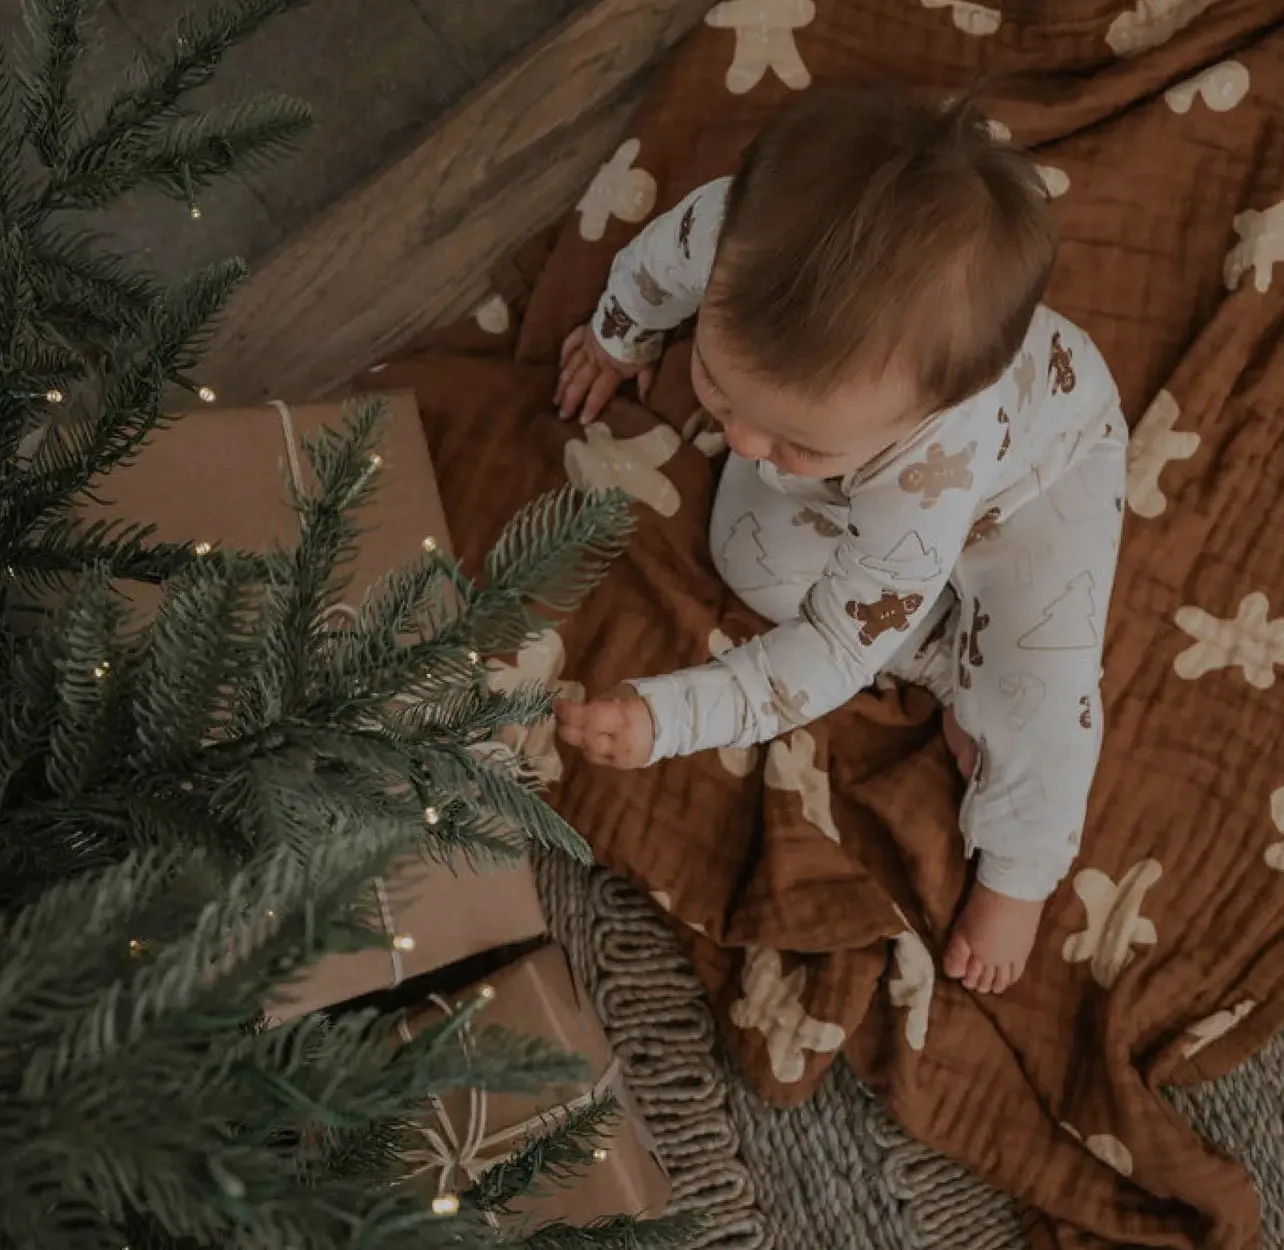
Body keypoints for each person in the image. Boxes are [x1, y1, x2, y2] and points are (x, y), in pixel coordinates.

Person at [553, 85, 1127, 995]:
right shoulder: (728, 233)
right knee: (749, 554)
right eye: (715, 378)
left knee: (1044, 690)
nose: (740, 442)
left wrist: (672, 716)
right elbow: (651, 273)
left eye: (794, 436)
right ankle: (939, 656)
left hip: (1037, 488)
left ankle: (1022, 864)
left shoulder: (927, 467)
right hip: (870, 507)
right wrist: (620, 338)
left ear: (925, 412)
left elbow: (824, 651)